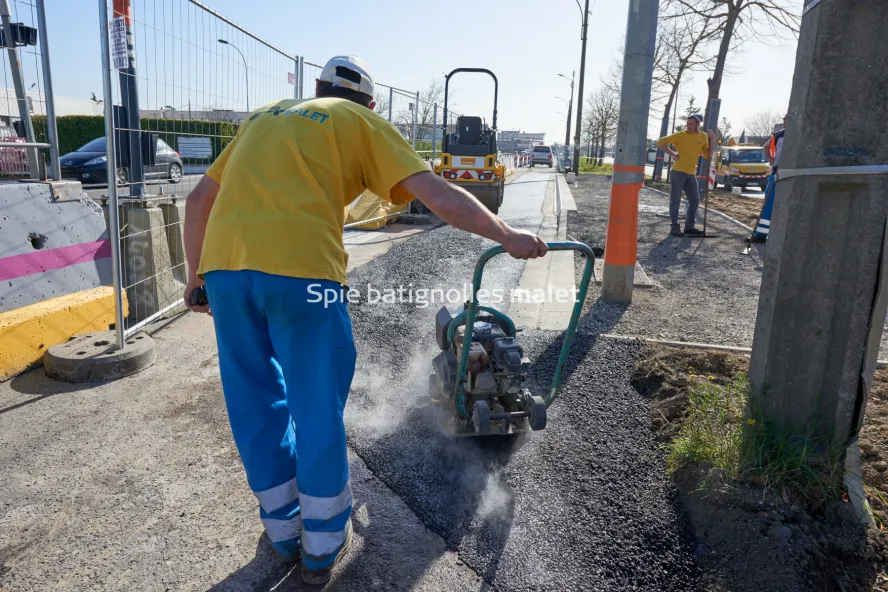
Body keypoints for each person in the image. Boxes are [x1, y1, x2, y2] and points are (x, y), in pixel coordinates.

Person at [181, 55, 547, 585]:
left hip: (225, 274)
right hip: (302, 273)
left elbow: (198, 200)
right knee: (315, 404)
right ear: (370, 103)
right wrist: (507, 236)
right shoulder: (361, 122)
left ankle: (283, 533)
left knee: (255, 401)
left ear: (316, 88)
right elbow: (440, 196)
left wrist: (196, 280)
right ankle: (323, 545)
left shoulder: (263, 117)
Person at [656, 114, 714, 237]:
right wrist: (673, 154)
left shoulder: (703, 136)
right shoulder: (680, 135)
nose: (688, 126)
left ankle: (689, 226)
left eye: (691, 123)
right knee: (675, 200)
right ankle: (674, 227)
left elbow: (708, 155)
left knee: (695, 200)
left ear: (698, 124)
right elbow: (660, 142)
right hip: (678, 172)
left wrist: (712, 139)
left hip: (691, 173)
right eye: (687, 123)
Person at [754, 114, 787, 242]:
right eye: (785, 120)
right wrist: (771, 159)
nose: (786, 122)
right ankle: (761, 234)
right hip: (777, 171)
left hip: (792, 172)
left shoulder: (801, 133)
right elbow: (766, 146)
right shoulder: (779, 134)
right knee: (768, 203)